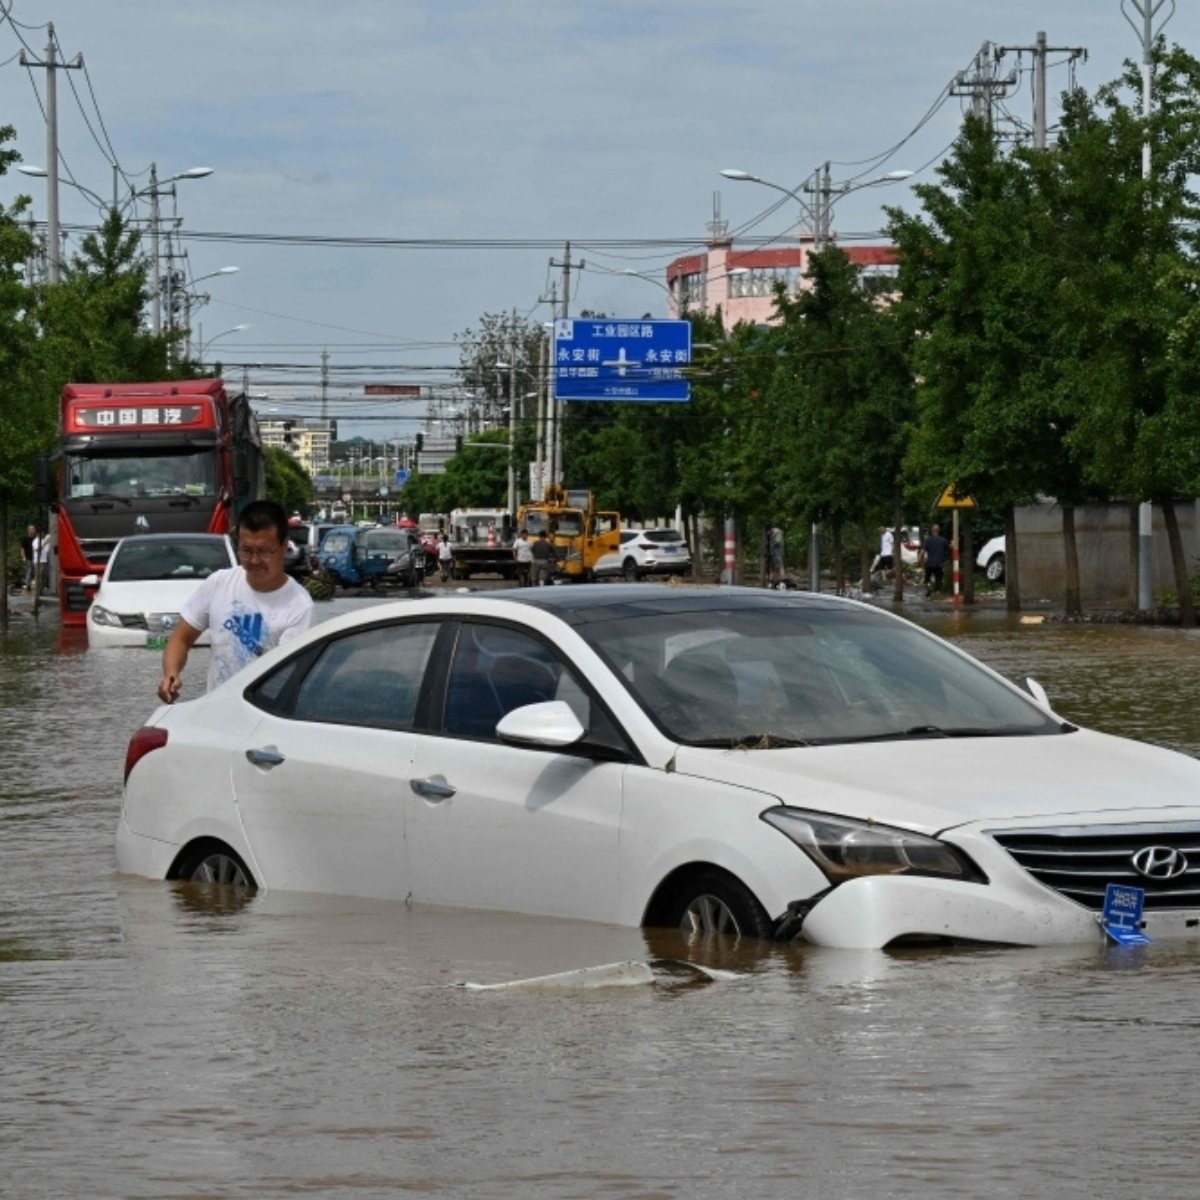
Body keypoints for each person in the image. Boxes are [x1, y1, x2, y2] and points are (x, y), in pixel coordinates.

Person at [157, 500, 314, 703]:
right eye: (246, 551)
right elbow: (180, 638)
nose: (255, 560)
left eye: (265, 551)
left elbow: (286, 679)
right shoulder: (219, 583)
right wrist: (171, 674)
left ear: (284, 546)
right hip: (216, 713)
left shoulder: (300, 607)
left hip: (264, 718)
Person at [919, 523, 950, 597]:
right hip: (939, 563)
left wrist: (919, 559)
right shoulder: (943, 540)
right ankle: (937, 592)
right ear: (939, 531)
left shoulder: (928, 540)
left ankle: (929, 587)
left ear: (932, 530)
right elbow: (948, 549)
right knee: (938, 578)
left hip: (930, 563)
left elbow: (922, 551)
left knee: (927, 578)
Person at [21, 525, 36, 591]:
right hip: (28, 557)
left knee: (36, 572)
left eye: (33, 529)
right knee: (29, 571)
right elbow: (22, 549)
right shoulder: (25, 538)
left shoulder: (36, 538)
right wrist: (23, 557)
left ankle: (37, 584)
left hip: (36, 558)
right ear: (28, 530)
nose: (33, 530)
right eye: (31, 529)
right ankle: (28, 585)